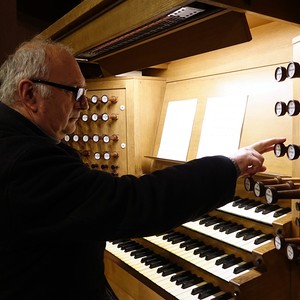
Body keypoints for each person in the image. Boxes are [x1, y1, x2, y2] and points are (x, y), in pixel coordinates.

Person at [0, 37, 285, 300]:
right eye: (75, 92)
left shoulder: (16, 141)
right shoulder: (24, 159)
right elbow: (131, 202)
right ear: (30, 94)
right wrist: (229, 165)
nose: (85, 104)